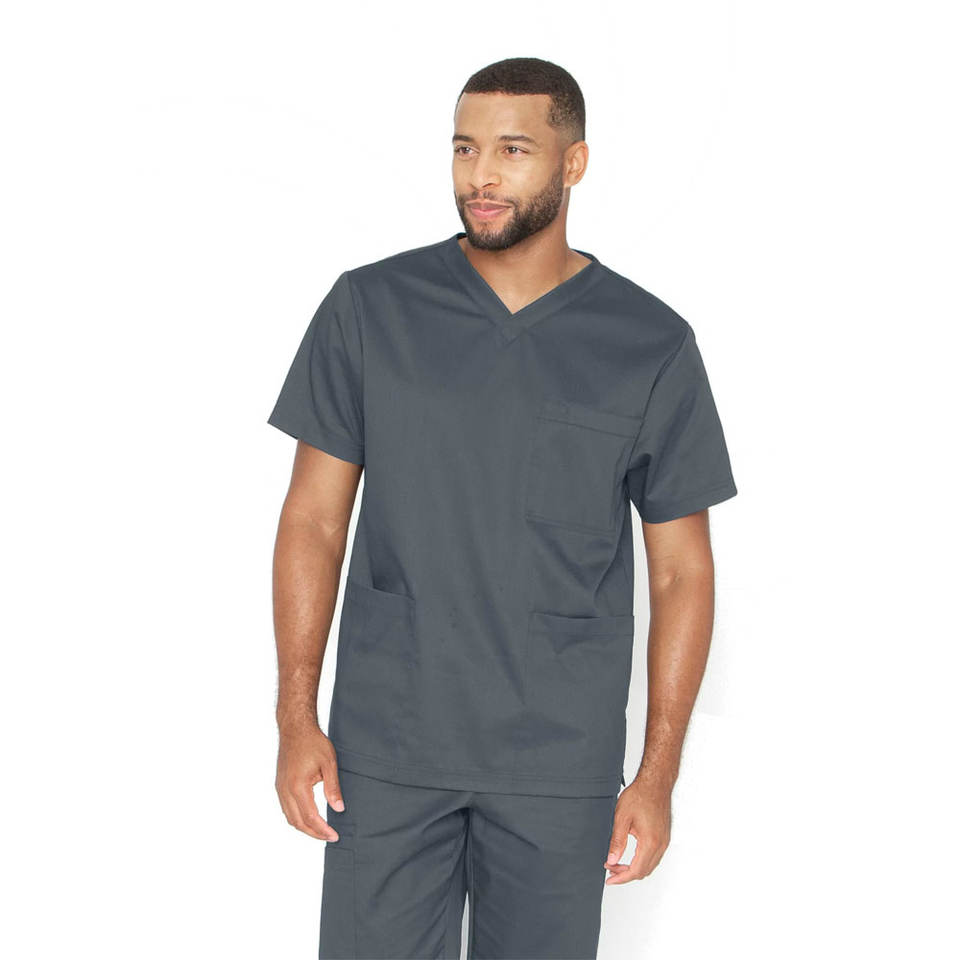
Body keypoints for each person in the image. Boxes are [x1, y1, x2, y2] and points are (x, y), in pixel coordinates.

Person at [267, 56, 737, 960]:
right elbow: (312, 523)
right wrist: (295, 716)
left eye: (513, 150)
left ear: (574, 163)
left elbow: (682, 571)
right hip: (389, 748)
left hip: (558, 762)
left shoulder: (648, 343)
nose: (480, 176)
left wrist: (656, 776)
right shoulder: (371, 308)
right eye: (464, 149)